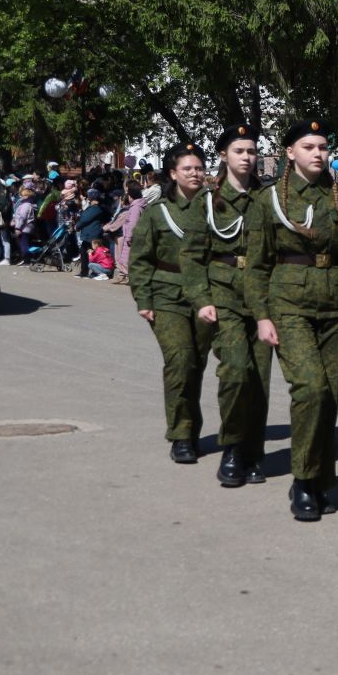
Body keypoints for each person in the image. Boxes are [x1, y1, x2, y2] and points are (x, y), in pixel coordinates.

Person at [246, 119, 338, 522]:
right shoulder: (269, 201)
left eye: (323, 147)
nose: (319, 154)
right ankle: (303, 479)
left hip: (336, 305)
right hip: (289, 303)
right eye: (309, 147)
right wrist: (262, 315)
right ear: (290, 153)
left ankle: (319, 479)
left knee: (328, 396)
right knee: (311, 389)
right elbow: (258, 265)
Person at [187, 124, 274, 487]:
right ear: (224, 156)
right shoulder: (207, 201)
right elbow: (192, 257)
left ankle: (253, 451)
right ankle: (233, 447)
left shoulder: (270, 199)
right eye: (240, 151)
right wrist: (201, 299)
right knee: (236, 370)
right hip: (223, 293)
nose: (248, 158)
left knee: (259, 379)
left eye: (252, 152)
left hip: (263, 297)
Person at [128, 143, 211, 465]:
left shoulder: (215, 208)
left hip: (205, 295)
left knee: (197, 365)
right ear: (173, 174)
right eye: (188, 168)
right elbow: (140, 260)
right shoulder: (156, 212)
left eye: (199, 168)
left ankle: (191, 428)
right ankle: (180, 435)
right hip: (167, 295)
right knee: (180, 361)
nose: (195, 173)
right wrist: (143, 299)